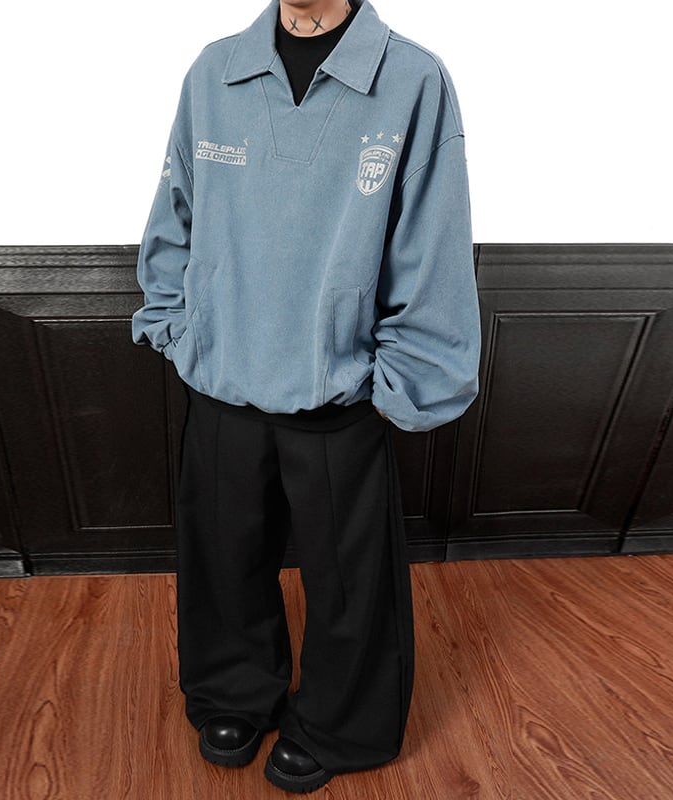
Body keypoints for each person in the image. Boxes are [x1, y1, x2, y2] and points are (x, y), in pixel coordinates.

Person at [131, 0, 481, 792]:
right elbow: (176, 211)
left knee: (351, 581)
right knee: (223, 556)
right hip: (223, 377)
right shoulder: (214, 71)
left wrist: (405, 378)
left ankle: (342, 723)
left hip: (338, 391)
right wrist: (177, 325)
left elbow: (432, 240)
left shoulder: (412, 79)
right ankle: (232, 690)